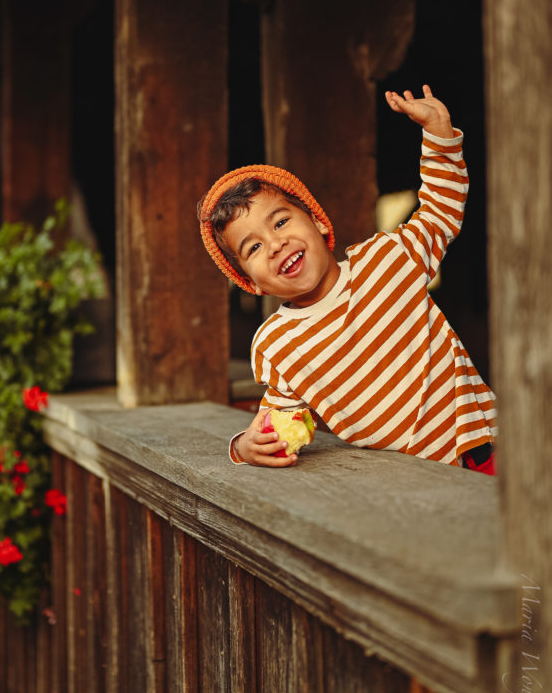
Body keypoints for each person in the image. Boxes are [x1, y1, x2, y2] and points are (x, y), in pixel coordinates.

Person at [198, 85, 496, 473]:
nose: (274, 244)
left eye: (281, 222)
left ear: (319, 222)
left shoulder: (388, 259)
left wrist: (439, 134)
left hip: (485, 444)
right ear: (250, 283)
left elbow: (441, 210)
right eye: (253, 247)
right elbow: (278, 428)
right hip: (406, 488)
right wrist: (245, 446)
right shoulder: (277, 345)